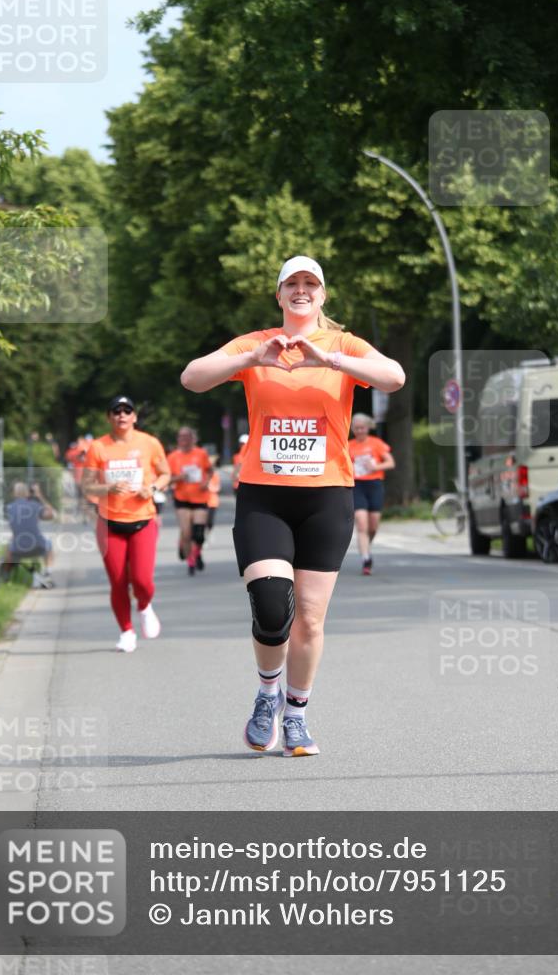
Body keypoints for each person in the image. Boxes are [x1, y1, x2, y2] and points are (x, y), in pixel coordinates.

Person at [181, 255, 405, 756]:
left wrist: (330, 361)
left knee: (309, 616)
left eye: (311, 283)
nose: (302, 290)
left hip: (327, 496)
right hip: (265, 495)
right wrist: (251, 359)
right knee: (270, 603)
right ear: (279, 295)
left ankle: (297, 715)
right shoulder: (255, 344)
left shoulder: (343, 346)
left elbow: (394, 377)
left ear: (323, 295)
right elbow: (192, 377)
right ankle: (267, 693)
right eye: (292, 284)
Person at [82, 396, 171, 653]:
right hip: (110, 523)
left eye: (127, 410)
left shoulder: (149, 443)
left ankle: (144, 605)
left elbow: (166, 474)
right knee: (118, 581)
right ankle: (126, 631)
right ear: (109, 417)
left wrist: (152, 488)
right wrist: (108, 487)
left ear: (134, 417)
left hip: (142, 520)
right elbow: (87, 485)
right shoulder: (98, 447)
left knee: (142, 581)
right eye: (116, 411)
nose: (122, 415)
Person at [348, 413, 395, 574]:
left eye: (362, 428)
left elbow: (390, 462)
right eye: (356, 428)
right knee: (362, 524)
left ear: (368, 428)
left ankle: (367, 544)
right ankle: (366, 559)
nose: (359, 431)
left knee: (373, 525)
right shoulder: (348, 445)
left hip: (374, 484)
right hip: (356, 485)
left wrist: (376, 467)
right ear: (352, 429)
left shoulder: (376, 443)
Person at [167, 427, 213, 574]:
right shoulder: (173, 457)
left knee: (199, 533)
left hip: (200, 497)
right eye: (181, 437)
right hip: (182, 499)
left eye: (188, 436)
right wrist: (179, 478)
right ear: (178, 439)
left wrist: (206, 482)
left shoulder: (201, 454)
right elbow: (166, 478)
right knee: (187, 533)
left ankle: (197, 552)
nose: (185, 439)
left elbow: (210, 470)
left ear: (193, 438)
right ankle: (191, 560)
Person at [4, 481, 56, 587]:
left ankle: (6, 577)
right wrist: (39, 496)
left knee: (9, 547)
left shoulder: (9, 508)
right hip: (38, 546)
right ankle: (47, 573)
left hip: (17, 549)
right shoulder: (35, 506)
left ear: (14, 494)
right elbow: (52, 515)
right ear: (27, 493)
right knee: (49, 544)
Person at [205, 456, 221, 539]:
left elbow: (217, 488)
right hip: (203, 501)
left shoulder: (215, 476)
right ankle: (203, 536)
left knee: (210, 521)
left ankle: (209, 532)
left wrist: (210, 487)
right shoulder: (203, 475)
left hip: (213, 502)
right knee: (202, 521)